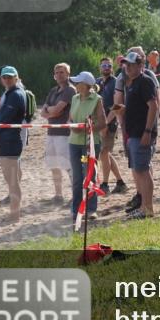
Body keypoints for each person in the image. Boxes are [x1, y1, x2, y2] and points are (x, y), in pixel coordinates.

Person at [120, 51, 159, 219]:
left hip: (141, 133)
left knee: (143, 171)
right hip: (134, 133)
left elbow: (154, 106)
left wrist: (148, 131)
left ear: (140, 65)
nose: (127, 67)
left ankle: (147, 208)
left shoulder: (145, 81)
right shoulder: (133, 83)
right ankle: (143, 206)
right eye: (126, 64)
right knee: (139, 170)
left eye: (131, 64)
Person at [67, 71, 108, 227]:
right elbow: (70, 118)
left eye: (78, 83)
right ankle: (76, 209)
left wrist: (86, 129)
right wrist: (72, 125)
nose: (76, 85)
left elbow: (102, 123)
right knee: (77, 178)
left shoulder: (97, 99)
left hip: (89, 145)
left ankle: (91, 209)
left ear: (86, 85)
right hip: (74, 143)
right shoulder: (74, 98)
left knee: (89, 176)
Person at [0, 67, 26, 222]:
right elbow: (3, 117)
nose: (7, 79)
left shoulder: (15, 94)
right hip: (8, 139)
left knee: (12, 181)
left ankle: (15, 215)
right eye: (4, 77)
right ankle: (14, 213)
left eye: (10, 77)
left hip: (10, 140)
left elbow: (5, 120)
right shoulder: (11, 93)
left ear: (16, 78)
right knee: (12, 180)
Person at [42, 63, 75, 205]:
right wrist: (52, 110)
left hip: (64, 133)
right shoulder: (53, 91)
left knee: (69, 165)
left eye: (62, 72)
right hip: (51, 132)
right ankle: (58, 194)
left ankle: (75, 194)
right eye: (57, 72)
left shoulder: (70, 90)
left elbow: (55, 110)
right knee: (53, 164)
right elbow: (43, 112)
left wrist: (50, 110)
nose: (59, 75)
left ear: (68, 74)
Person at [95, 58, 127, 195]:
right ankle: (120, 183)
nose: (106, 67)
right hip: (99, 123)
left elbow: (117, 105)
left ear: (112, 67)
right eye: (103, 65)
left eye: (108, 65)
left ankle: (105, 184)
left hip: (110, 123)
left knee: (103, 153)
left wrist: (106, 123)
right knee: (105, 154)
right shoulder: (97, 82)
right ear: (100, 67)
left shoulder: (115, 82)